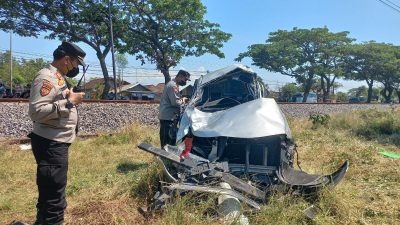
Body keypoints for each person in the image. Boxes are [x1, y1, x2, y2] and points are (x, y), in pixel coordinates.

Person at [13, 42, 86, 225]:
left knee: (49, 193)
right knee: (54, 198)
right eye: (76, 63)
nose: (76, 68)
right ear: (67, 59)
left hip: (55, 142)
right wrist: (69, 103)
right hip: (51, 143)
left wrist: (68, 97)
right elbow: (36, 112)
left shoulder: (59, 77)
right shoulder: (46, 77)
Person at [158, 70, 191, 148]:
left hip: (168, 117)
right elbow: (175, 102)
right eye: (185, 79)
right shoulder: (173, 86)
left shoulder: (173, 85)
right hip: (168, 118)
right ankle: (166, 158)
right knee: (168, 142)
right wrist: (183, 100)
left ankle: (166, 157)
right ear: (180, 76)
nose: (185, 82)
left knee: (168, 140)